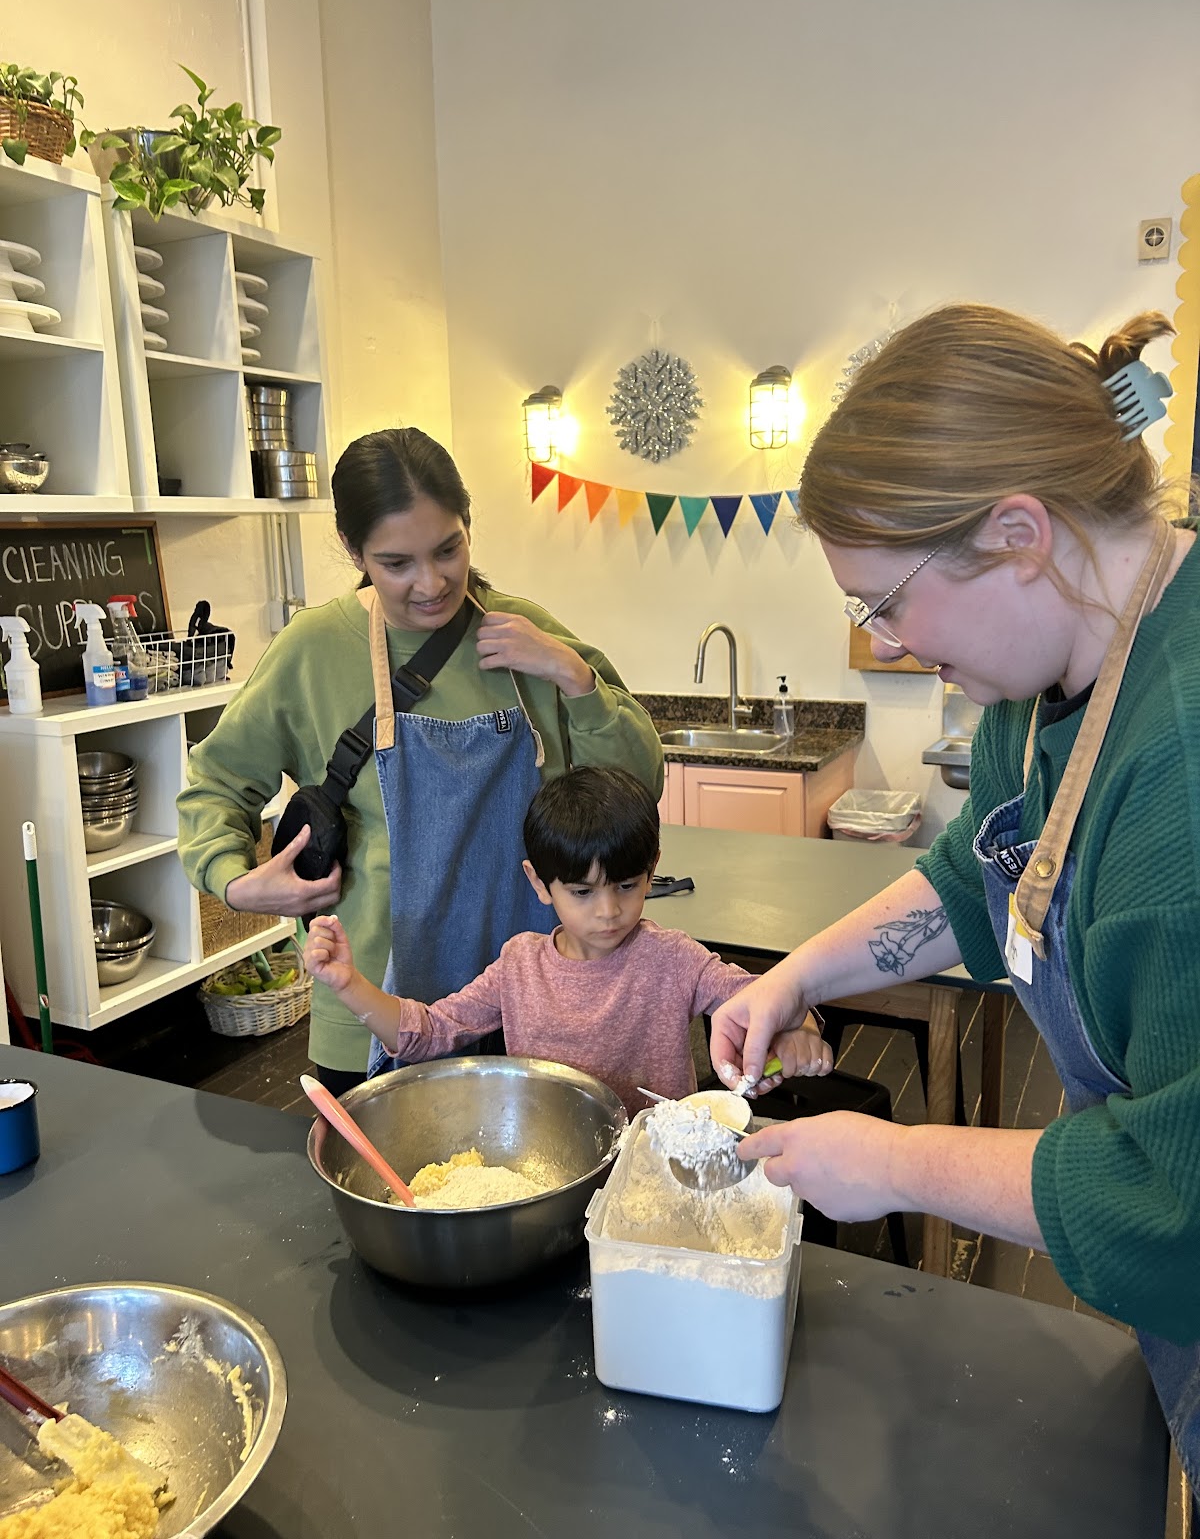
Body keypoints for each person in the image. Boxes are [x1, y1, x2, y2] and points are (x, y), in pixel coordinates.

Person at [709, 302, 1200, 1490]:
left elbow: (1172, 1203)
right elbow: (982, 882)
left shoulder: (1180, 767)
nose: (888, 639)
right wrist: (797, 975)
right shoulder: (1039, 689)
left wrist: (893, 1161)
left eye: (887, 602)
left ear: (1020, 532)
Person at [178, 429, 664, 1095]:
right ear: (354, 551)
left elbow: (639, 788)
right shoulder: (316, 651)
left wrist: (574, 676)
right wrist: (235, 880)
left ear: (468, 528)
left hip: (538, 1007)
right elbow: (215, 785)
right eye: (396, 563)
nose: (431, 584)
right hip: (374, 1010)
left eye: (448, 549)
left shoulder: (524, 634)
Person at [303, 766, 832, 1114]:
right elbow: (427, 1032)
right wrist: (348, 984)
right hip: (548, 1169)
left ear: (652, 871)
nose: (608, 911)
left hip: (651, 1168)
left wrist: (801, 1026)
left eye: (627, 886)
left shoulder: (673, 959)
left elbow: (764, 995)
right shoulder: (518, 967)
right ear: (539, 883)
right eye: (582, 891)